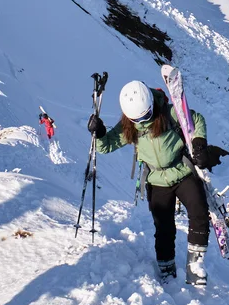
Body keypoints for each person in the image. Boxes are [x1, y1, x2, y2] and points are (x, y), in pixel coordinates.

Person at [87, 80, 216, 286]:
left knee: (199, 212)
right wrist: (100, 133)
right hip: (156, 179)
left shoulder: (168, 113)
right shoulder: (130, 126)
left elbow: (196, 120)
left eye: (147, 116)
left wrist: (199, 143)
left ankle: (195, 265)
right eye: (138, 119)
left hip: (182, 170)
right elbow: (106, 146)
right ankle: (166, 267)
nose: (144, 122)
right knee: (164, 226)